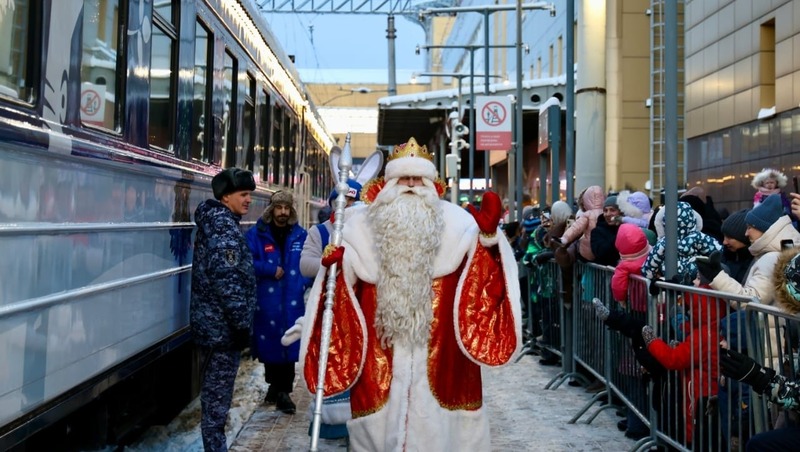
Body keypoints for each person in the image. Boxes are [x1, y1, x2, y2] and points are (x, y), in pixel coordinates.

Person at [300, 137, 521, 451]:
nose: (412, 185)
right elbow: (341, 286)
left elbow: (482, 284)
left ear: (431, 183)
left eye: (419, 178)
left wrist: (488, 241)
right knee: (376, 434)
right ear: (389, 182)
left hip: (443, 355)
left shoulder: (458, 224)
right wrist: (335, 264)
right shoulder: (359, 226)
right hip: (380, 356)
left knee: (444, 437)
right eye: (405, 178)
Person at [190, 168, 257, 452]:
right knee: (217, 407)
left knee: (215, 405)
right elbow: (227, 280)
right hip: (222, 331)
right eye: (243, 195)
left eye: (250, 195)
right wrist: (242, 325)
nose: (248, 200)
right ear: (226, 196)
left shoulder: (221, 220)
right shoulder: (223, 226)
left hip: (215, 328)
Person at [245, 191, 310, 414]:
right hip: (268, 300)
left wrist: (304, 281)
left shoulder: (300, 235)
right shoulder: (257, 234)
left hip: (292, 300)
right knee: (270, 345)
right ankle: (274, 385)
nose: (282, 212)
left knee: (289, 345)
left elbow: (309, 262)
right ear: (271, 209)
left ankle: (284, 392)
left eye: (286, 208)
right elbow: (248, 261)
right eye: (278, 207)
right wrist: (270, 269)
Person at [300, 179, 362, 279]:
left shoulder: (367, 231)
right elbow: (305, 265)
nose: (347, 204)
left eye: (352, 200)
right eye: (344, 198)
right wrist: (328, 263)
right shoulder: (319, 231)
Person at [719, 208, 753, 284]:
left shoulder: (755, 262)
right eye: (724, 236)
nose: (724, 242)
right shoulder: (722, 257)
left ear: (744, 238)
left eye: (729, 237)